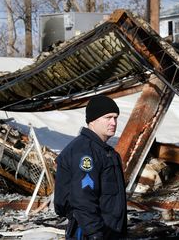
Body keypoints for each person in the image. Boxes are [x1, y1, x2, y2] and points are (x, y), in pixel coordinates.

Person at [54, 95, 127, 240]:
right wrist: (94, 234)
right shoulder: (85, 152)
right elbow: (82, 199)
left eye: (115, 117)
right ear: (93, 120)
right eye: (108, 117)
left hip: (109, 231)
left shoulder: (105, 152)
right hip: (90, 233)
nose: (114, 122)